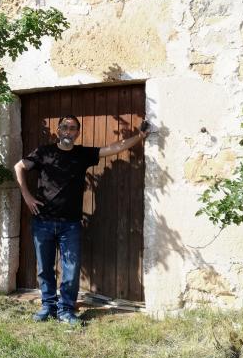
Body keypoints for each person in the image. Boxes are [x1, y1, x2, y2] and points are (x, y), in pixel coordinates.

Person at [14, 114, 149, 325]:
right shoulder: (44, 152)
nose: (68, 131)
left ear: (77, 133)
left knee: (71, 268)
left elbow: (113, 148)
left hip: (71, 224)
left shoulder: (82, 154)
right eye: (64, 127)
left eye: (72, 128)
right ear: (58, 130)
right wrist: (27, 196)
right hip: (43, 221)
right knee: (44, 268)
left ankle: (66, 310)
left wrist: (139, 136)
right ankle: (48, 307)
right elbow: (19, 167)